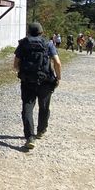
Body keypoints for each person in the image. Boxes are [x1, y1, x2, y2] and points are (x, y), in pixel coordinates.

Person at [14, 22, 62, 152]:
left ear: (28, 32)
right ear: (42, 32)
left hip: (28, 81)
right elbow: (57, 62)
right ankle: (41, 130)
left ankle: (30, 138)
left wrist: (23, 72)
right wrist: (58, 77)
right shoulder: (49, 44)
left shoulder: (23, 44)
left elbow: (15, 63)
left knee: (27, 107)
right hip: (45, 80)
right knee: (44, 106)